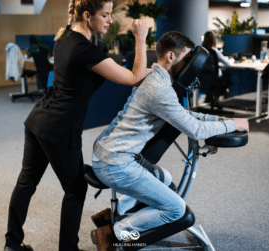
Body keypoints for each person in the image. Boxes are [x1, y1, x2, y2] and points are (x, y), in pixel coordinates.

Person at [4, 0, 149, 250]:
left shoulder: (66, 36)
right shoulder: (85, 51)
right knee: (76, 188)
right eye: (104, 15)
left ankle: (12, 245)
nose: (110, 20)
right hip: (59, 127)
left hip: (39, 119)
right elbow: (135, 78)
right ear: (86, 15)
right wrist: (141, 38)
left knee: (27, 182)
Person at [89, 31, 249, 251]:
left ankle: (110, 216)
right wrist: (233, 125)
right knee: (175, 209)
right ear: (171, 56)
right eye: (186, 60)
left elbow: (185, 115)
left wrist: (224, 119)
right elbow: (195, 129)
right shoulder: (160, 90)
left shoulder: (156, 77)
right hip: (115, 163)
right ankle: (114, 233)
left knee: (165, 178)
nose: (189, 68)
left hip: (111, 153)